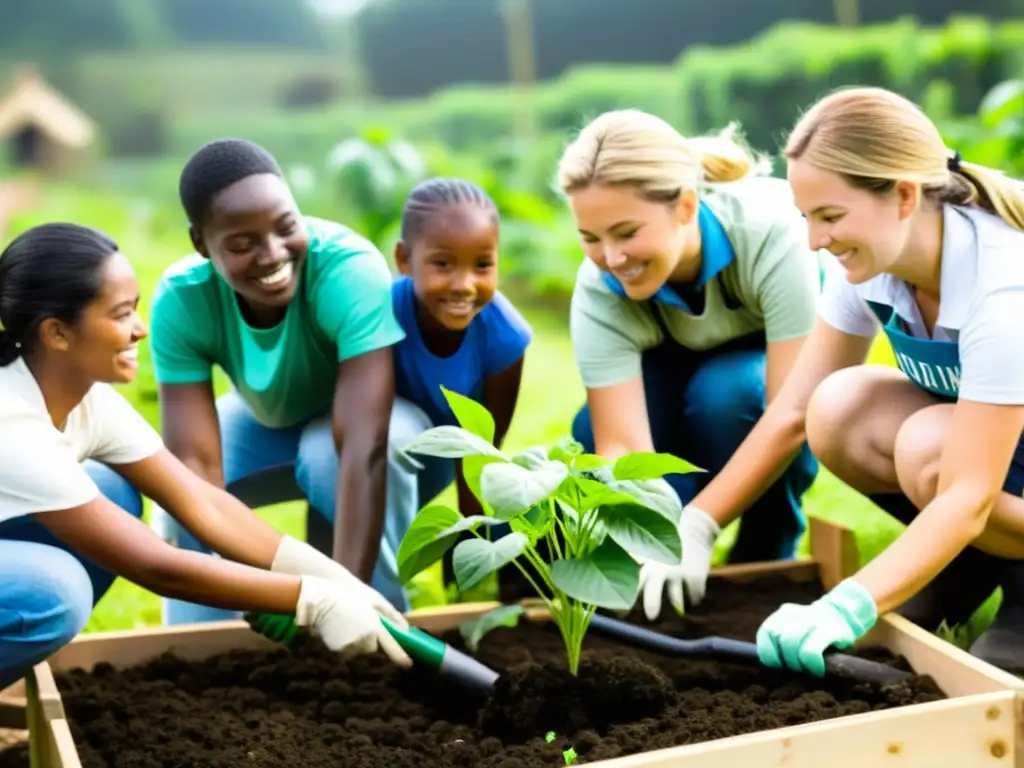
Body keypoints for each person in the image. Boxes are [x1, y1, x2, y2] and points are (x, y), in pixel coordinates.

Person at [669, 86, 1024, 674]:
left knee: (931, 448)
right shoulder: (875, 267)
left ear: (904, 196)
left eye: (831, 217)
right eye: (807, 217)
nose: (814, 241)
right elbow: (793, 411)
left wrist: (845, 605)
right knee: (836, 410)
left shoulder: (1002, 289)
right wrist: (700, 523)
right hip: (1002, 463)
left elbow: (967, 493)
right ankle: (963, 566)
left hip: (986, 475)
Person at [0, 223, 412, 689]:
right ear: (57, 333)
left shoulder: (89, 402)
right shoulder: (12, 423)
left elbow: (201, 500)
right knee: (53, 594)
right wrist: (312, 600)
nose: (140, 330)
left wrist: (334, 579)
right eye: (120, 315)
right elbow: (155, 566)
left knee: (112, 493)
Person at [556, 108, 824, 621]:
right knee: (590, 429)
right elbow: (621, 445)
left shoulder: (771, 231)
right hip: (672, 357)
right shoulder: (599, 288)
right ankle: (672, 574)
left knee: (727, 398)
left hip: (767, 373)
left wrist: (699, 525)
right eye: (590, 238)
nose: (611, 258)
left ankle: (765, 557)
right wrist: (657, 533)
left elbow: (791, 412)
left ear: (684, 206)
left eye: (626, 231)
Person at [148, 138, 420, 624]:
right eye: (241, 243)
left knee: (327, 458)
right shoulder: (182, 299)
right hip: (262, 419)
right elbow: (195, 464)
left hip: (371, 428)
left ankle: (384, 627)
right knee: (177, 494)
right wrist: (257, 592)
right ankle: (196, 647)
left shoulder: (347, 269)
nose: (272, 255)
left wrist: (349, 596)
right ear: (200, 244)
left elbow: (364, 442)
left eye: (285, 227)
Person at [389, 177, 532, 595]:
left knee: (500, 504)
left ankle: (481, 591)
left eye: (482, 265)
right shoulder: (381, 315)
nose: (464, 284)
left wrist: (465, 581)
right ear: (404, 258)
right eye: (443, 264)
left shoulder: (505, 338)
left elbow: (481, 455)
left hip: (454, 449)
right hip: (385, 443)